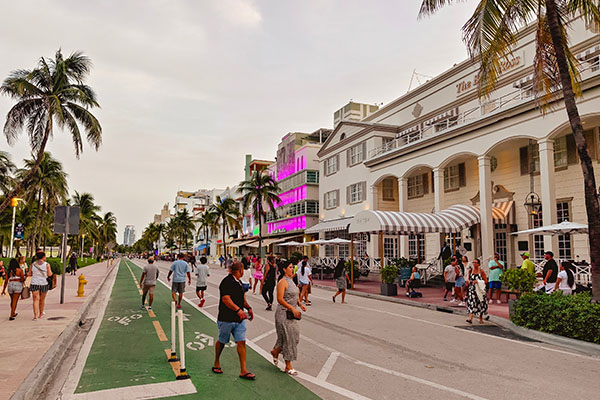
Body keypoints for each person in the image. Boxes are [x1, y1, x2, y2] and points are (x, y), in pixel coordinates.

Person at [213, 261, 255, 380]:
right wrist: (238, 310)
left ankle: (243, 370)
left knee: (241, 341)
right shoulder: (226, 282)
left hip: (239, 319)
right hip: (226, 318)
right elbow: (226, 299)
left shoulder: (239, 282)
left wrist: (248, 308)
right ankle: (216, 362)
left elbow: (241, 298)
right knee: (222, 341)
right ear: (240, 270)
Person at [271, 262, 306, 375]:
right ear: (284, 269)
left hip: (292, 314)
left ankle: (275, 351)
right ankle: (288, 365)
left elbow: (294, 295)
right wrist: (292, 308)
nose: (292, 269)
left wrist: (300, 304)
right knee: (288, 338)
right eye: (290, 267)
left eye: (292, 267)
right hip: (283, 314)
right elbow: (280, 299)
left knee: (293, 337)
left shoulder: (291, 281)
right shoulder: (282, 282)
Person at [29, 252, 53, 321]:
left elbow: (30, 273)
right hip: (44, 283)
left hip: (34, 283)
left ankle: (35, 316)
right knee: (42, 299)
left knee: (35, 300)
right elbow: (49, 274)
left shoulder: (33, 264)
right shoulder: (47, 265)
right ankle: (41, 313)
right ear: (43, 257)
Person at [465, 258, 488, 324]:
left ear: (478, 264)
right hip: (472, 289)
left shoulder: (481, 271)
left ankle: (481, 317)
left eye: (475, 263)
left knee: (480, 303)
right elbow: (468, 279)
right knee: (472, 303)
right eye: (473, 262)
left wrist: (478, 281)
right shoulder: (470, 271)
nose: (474, 264)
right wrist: (470, 282)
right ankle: (470, 318)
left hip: (479, 290)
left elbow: (485, 281)